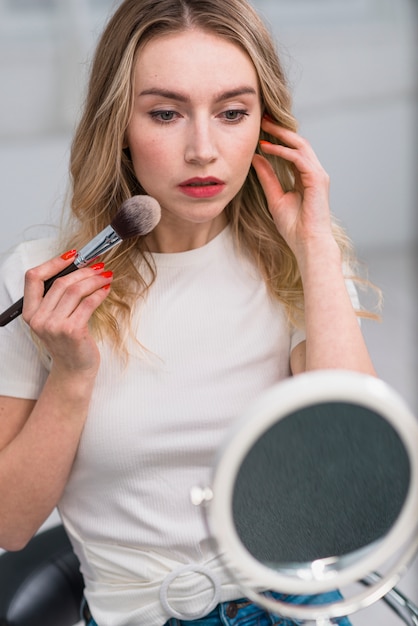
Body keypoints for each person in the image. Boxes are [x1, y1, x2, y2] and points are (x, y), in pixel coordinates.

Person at [0, 0, 380, 624]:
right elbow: (11, 526)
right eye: (166, 114)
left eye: (232, 113)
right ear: (118, 124)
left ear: (265, 125)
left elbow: (361, 480)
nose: (203, 149)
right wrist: (70, 377)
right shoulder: (40, 280)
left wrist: (314, 246)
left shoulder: (299, 262)